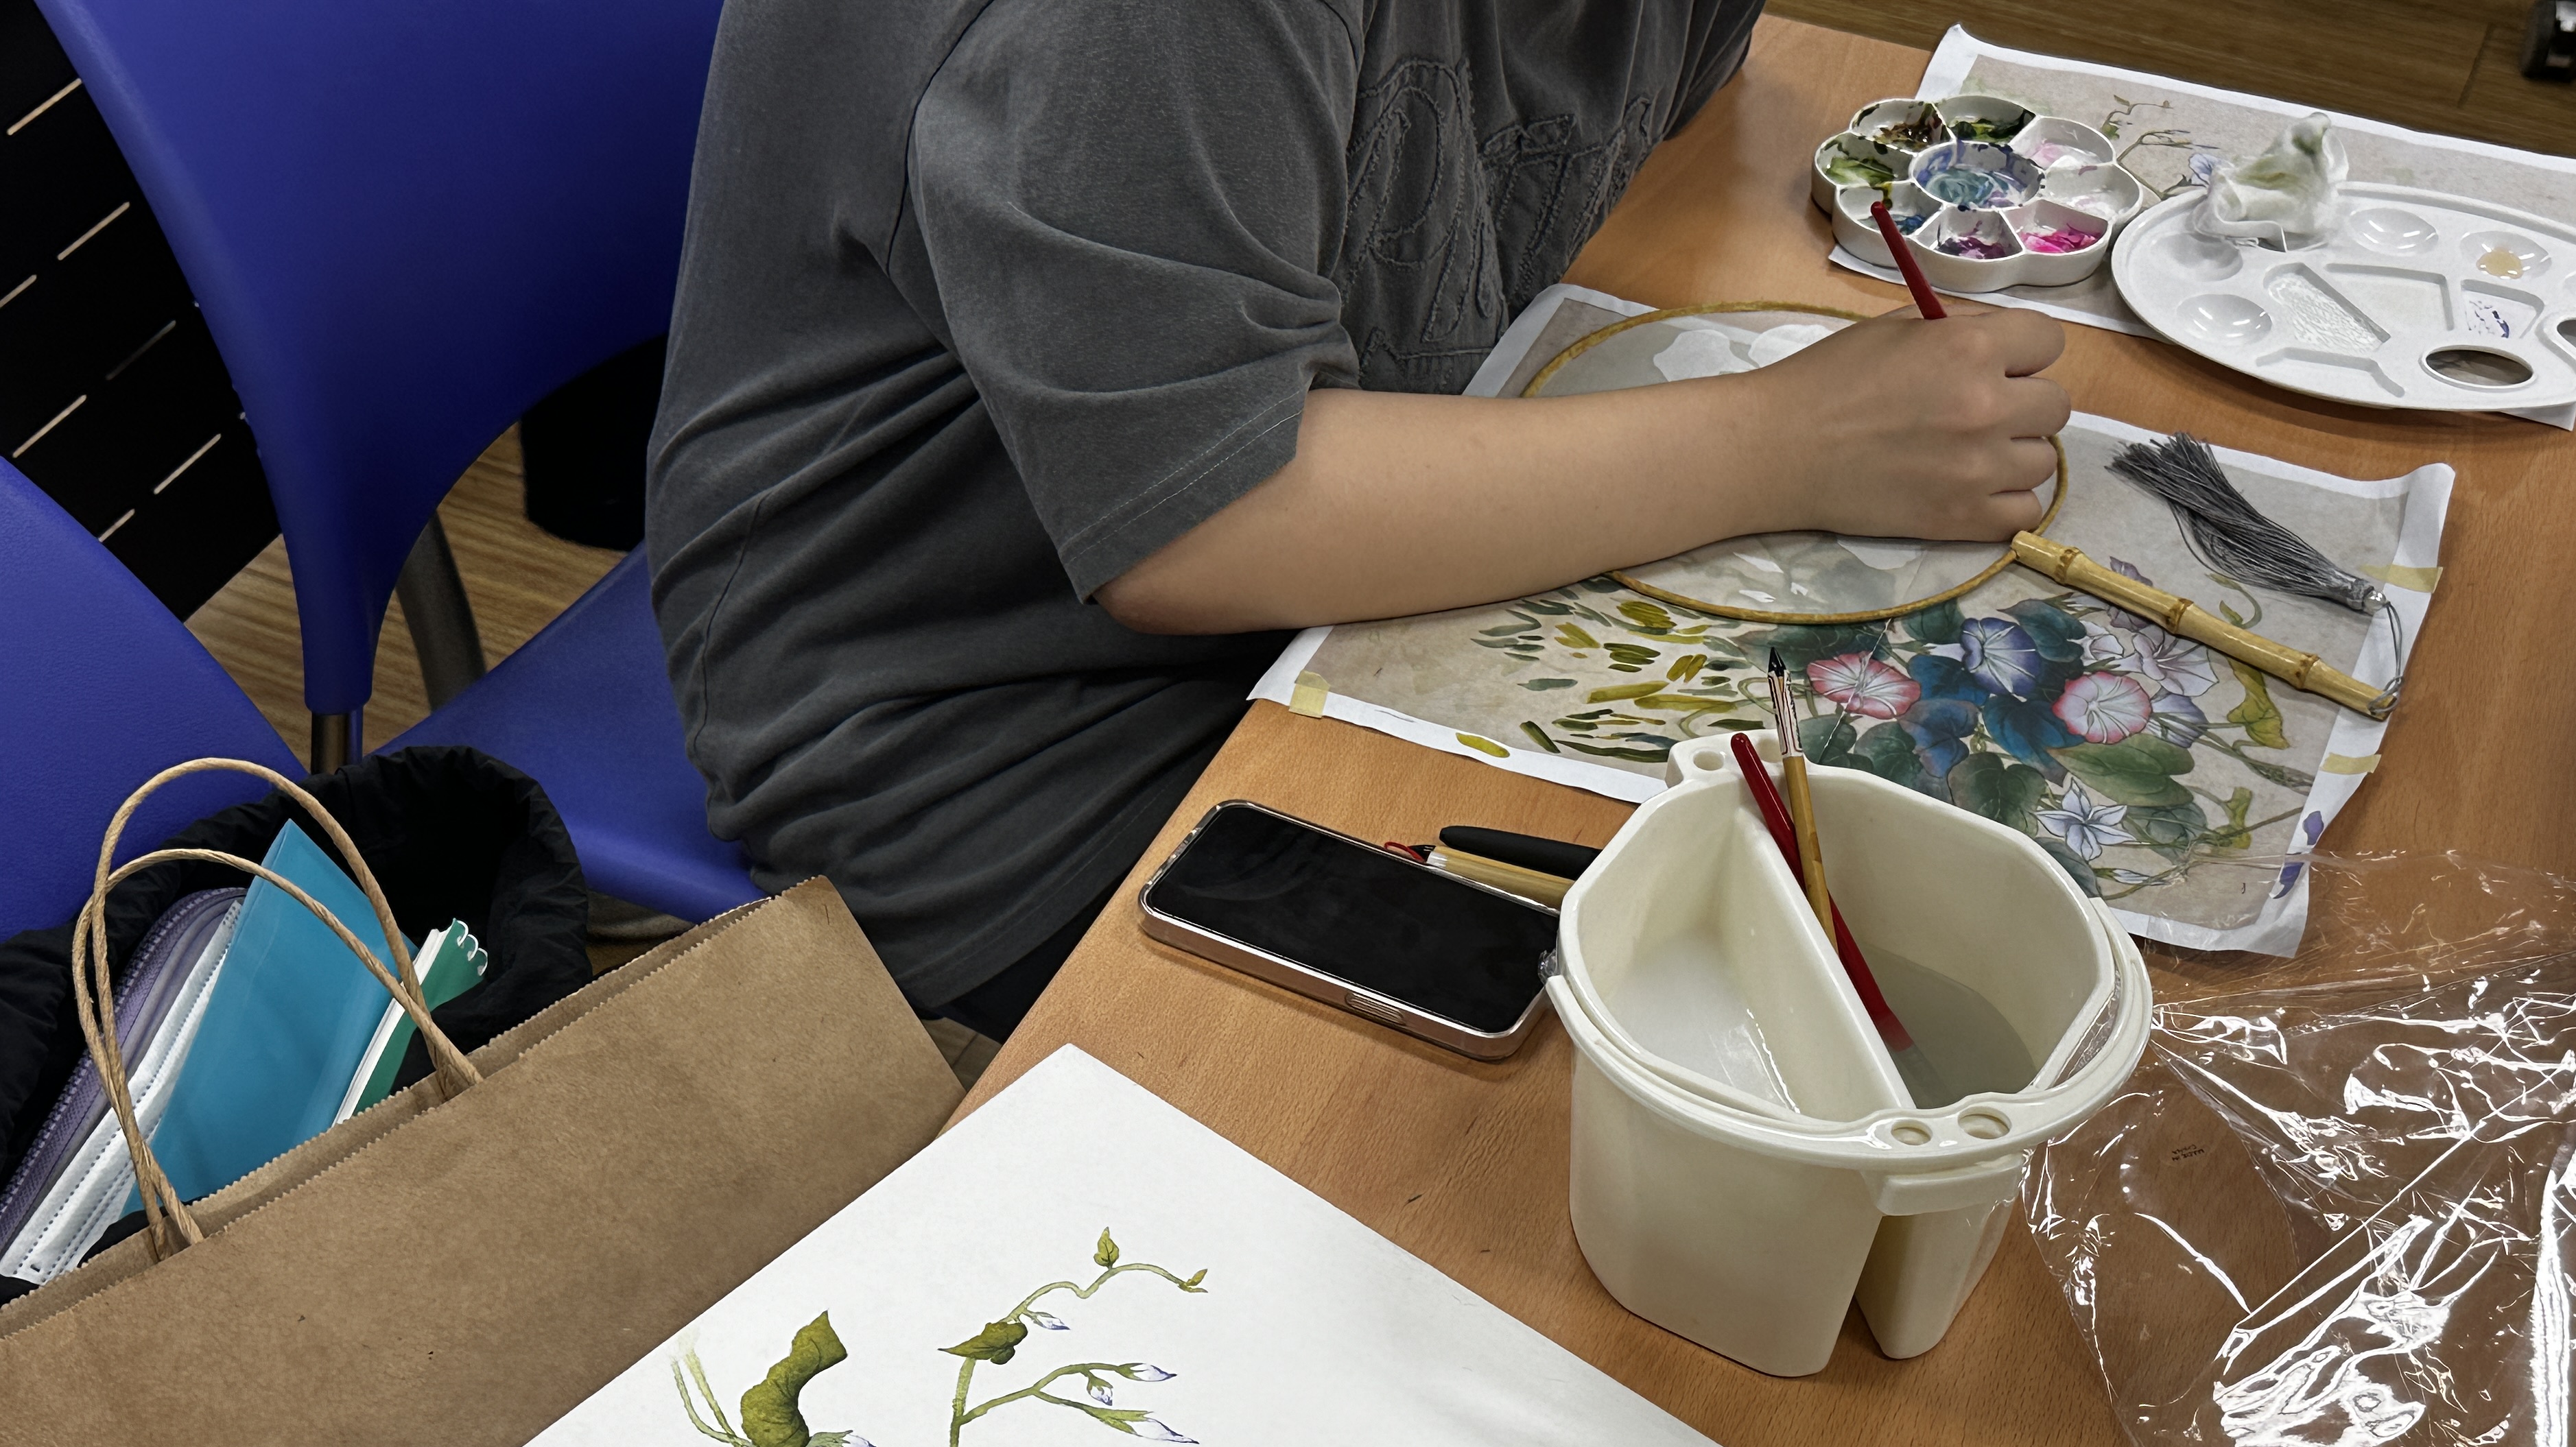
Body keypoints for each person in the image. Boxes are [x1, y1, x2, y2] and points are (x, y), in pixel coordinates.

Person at [648, 0, 2070, 1038]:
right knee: (1715, 1084)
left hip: (1359, 560)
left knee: (1944, 913)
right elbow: (1209, 525)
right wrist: (1790, 439)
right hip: (999, 729)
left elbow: (1681, 126)